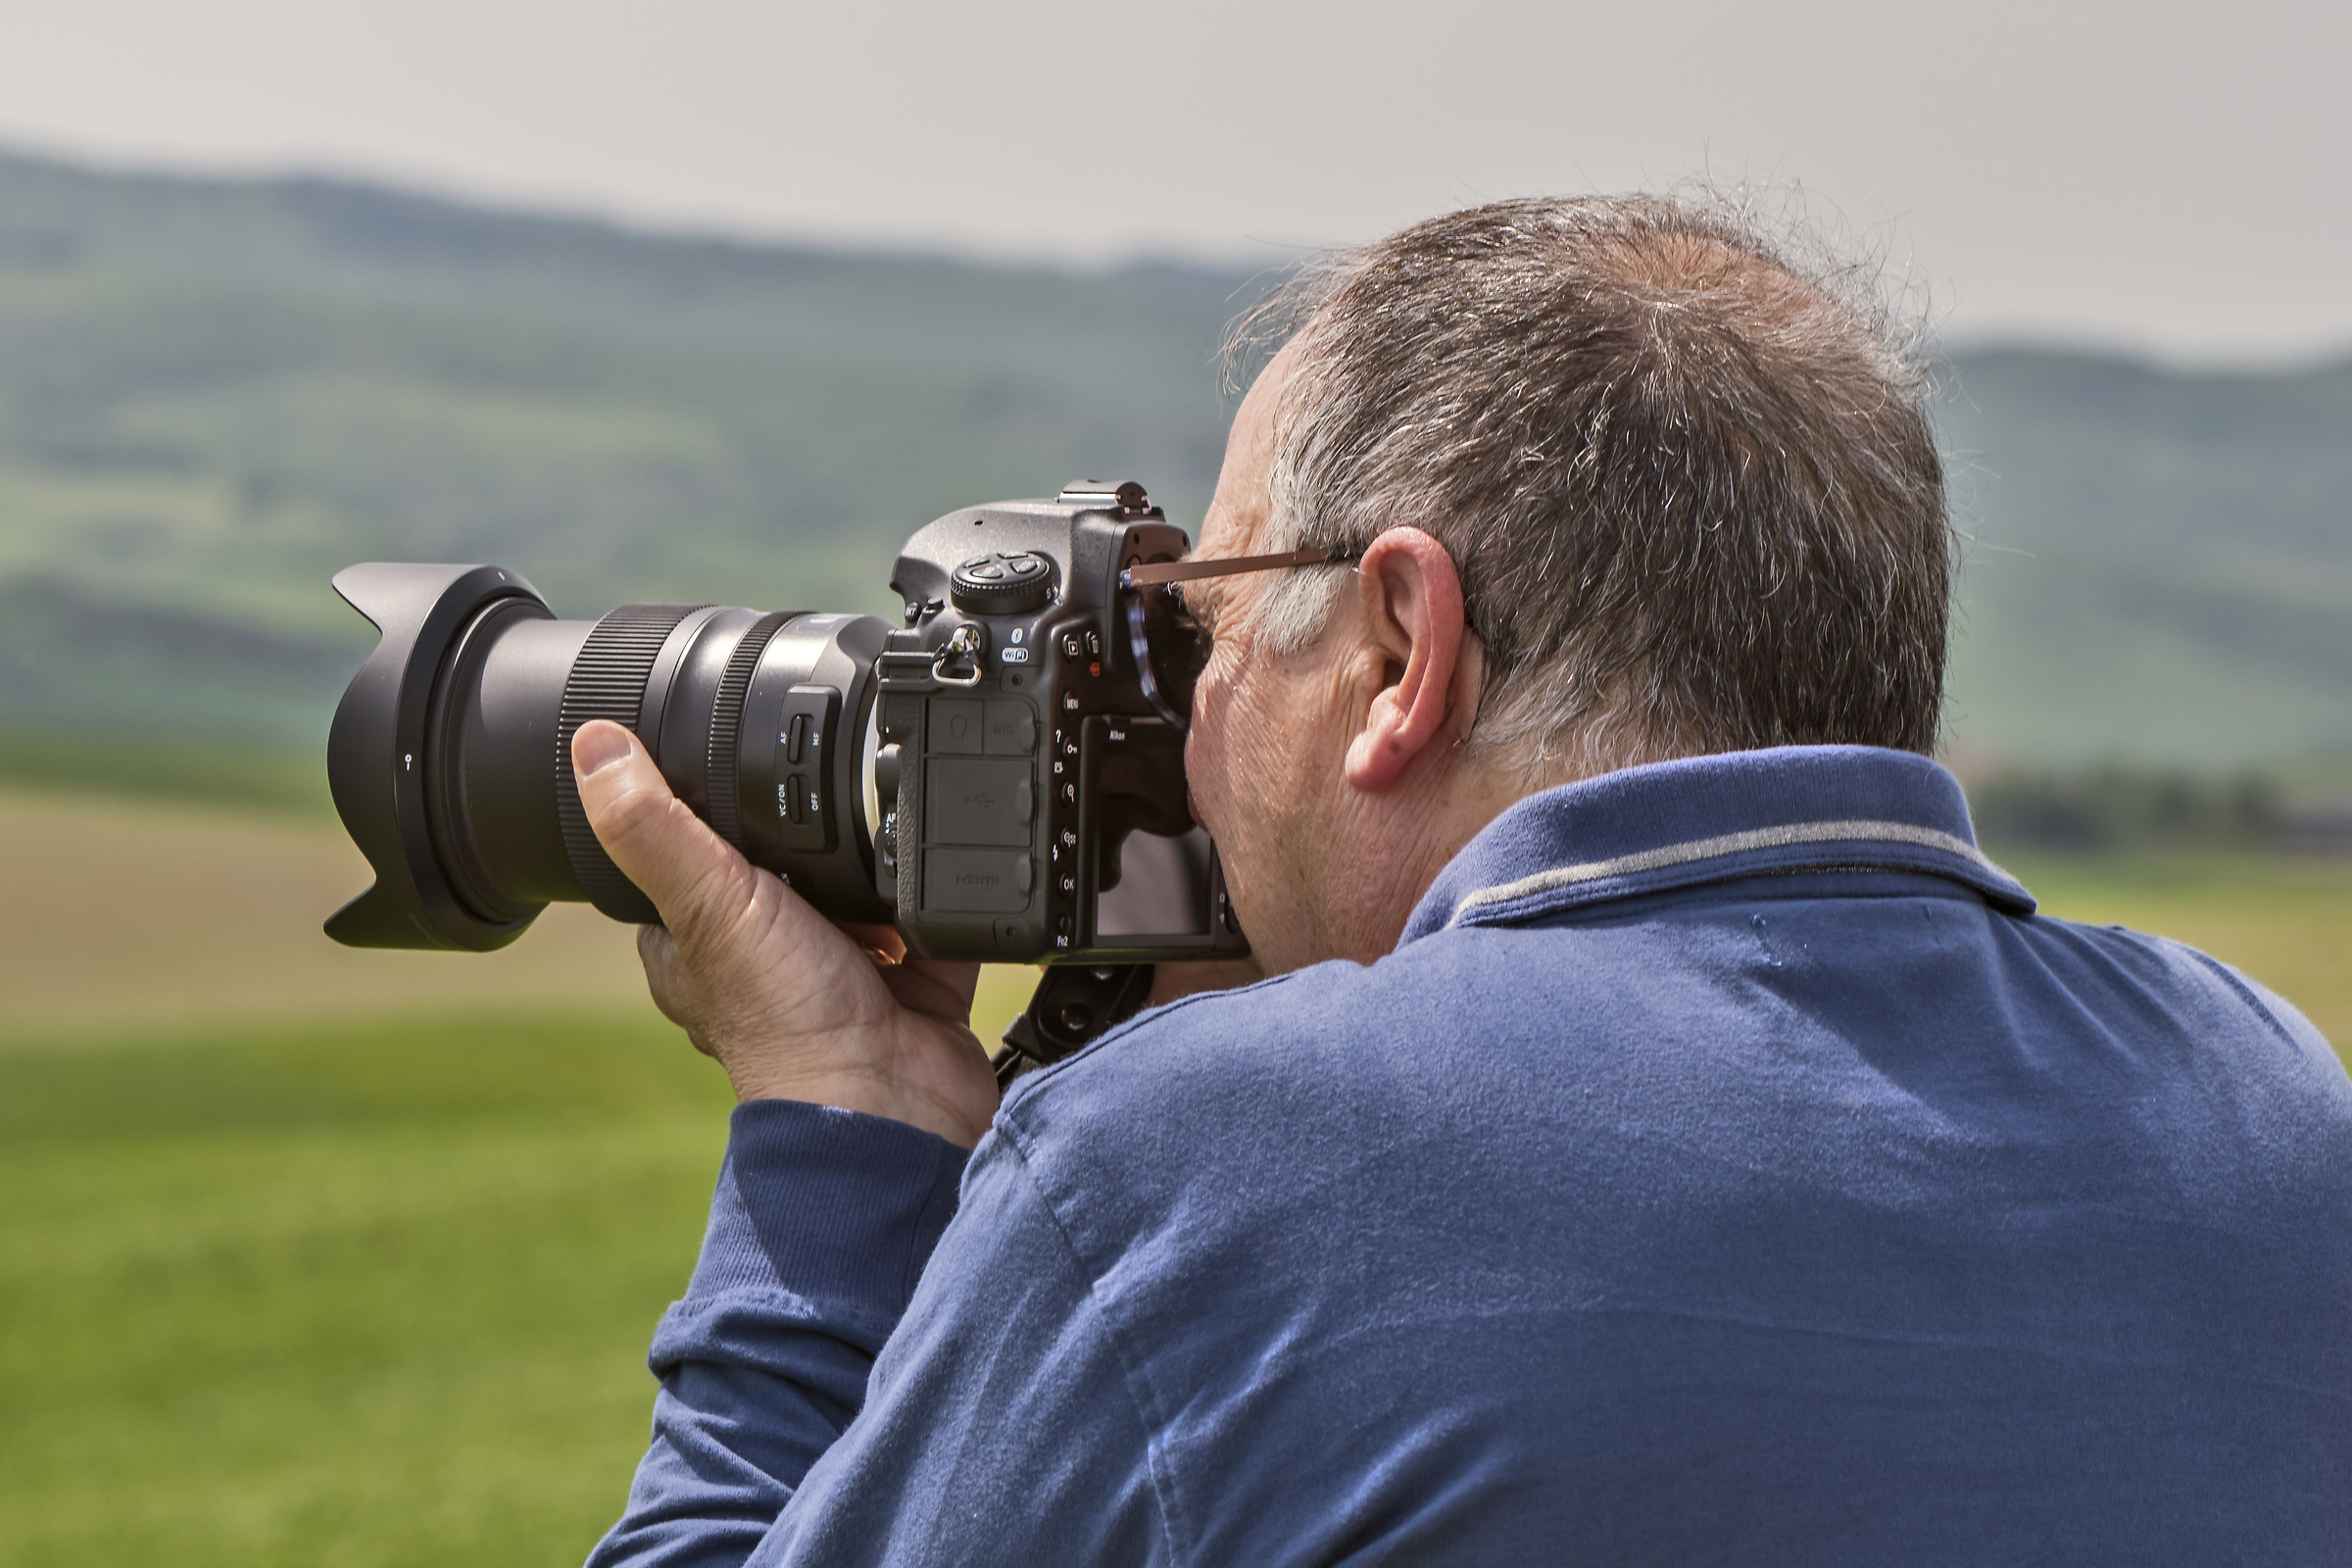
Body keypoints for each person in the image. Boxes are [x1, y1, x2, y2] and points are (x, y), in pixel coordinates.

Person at [567, 196, 2352, 1566]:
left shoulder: (1200, 1170)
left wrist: (840, 1120)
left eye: (1213, 620)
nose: (1188, 714)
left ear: (1406, 649)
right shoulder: (2268, 1100)